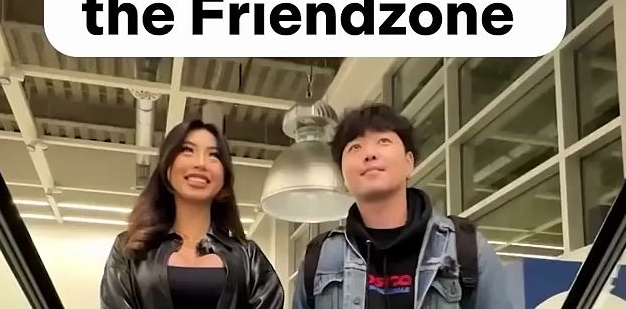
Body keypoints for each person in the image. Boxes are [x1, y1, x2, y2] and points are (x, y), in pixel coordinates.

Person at [292, 103, 515, 309]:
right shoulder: (321, 259)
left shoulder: (464, 248)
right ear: (343, 176)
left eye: (383, 141)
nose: (369, 154)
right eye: (355, 147)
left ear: (409, 162)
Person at [101, 119, 283, 309]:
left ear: (225, 175)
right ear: (167, 166)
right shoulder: (129, 250)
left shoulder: (249, 258)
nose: (201, 163)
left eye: (213, 155)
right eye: (187, 150)